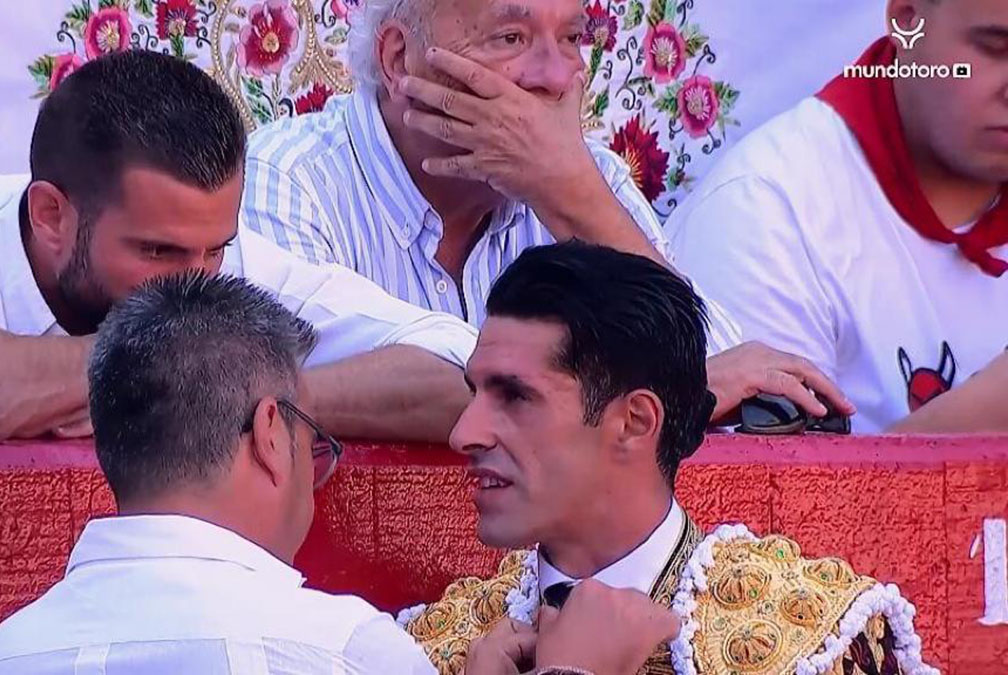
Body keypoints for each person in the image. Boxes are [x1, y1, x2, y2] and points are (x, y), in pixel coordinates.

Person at [0, 270, 683, 675]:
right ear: (270, 433)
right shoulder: (348, 649)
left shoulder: (6, 653)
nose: (465, 431)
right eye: (313, 437)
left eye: (515, 395)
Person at [0, 50, 476, 444]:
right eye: (157, 253)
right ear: (50, 215)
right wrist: (161, 369)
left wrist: (256, 390)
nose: (198, 283)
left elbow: (468, 373)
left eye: (214, 248)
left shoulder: (216, 262)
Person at [242, 0, 856, 428]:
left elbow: (722, 371)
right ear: (400, 59)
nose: (556, 78)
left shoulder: (588, 180)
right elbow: (269, 391)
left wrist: (573, 198)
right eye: (511, 39)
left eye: (570, 39)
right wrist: (650, 388)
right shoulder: (289, 182)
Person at [397, 242, 937, 675]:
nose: (464, 433)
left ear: (635, 422)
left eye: (515, 396)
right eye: (475, 393)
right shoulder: (437, 648)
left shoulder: (810, 640)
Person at [667, 0, 1008, 432]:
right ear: (908, 22)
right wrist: (985, 415)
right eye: (995, 47)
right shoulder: (767, 210)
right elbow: (769, 494)